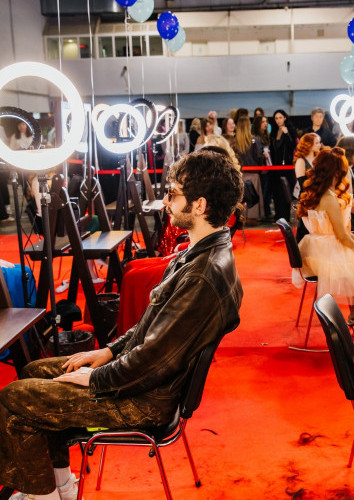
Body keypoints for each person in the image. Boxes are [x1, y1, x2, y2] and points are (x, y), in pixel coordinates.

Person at [0, 149, 244, 500]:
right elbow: (151, 328)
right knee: (32, 371)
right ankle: (61, 487)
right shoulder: (201, 253)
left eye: (173, 194)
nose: (166, 202)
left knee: (13, 398)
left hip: (146, 399)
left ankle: (46, 495)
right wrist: (109, 351)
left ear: (200, 205)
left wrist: (96, 378)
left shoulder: (202, 275)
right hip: (144, 380)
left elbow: (153, 359)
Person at [294, 147, 354, 321]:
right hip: (326, 253)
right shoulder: (329, 198)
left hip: (316, 248)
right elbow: (342, 236)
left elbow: (341, 233)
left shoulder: (317, 193)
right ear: (337, 173)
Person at [234, 115, 265, 222]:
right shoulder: (255, 140)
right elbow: (259, 156)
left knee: (240, 198)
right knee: (253, 199)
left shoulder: (235, 141)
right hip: (254, 174)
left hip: (239, 174)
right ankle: (252, 218)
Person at [270, 109, 297, 221]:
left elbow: (292, 146)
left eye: (280, 117)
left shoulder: (289, 130)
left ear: (285, 118)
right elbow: (273, 149)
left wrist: (286, 134)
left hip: (286, 166)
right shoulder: (274, 131)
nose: (278, 120)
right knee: (277, 193)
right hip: (275, 167)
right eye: (276, 118)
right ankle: (278, 216)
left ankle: (285, 216)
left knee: (286, 193)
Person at [293, 133, 321, 243]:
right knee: (305, 230)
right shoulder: (301, 161)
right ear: (309, 145)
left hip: (317, 196)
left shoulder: (318, 159)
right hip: (307, 198)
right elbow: (302, 184)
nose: (320, 145)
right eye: (317, 143)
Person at [252, 115, 272, 218]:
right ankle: (263, 213)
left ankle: (266, 211)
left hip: (268, 168)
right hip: (261, 169)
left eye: (266, 121)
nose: (265, 123)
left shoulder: (267, 136)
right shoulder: (256, 137)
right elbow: (257, 154)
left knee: (267, 193)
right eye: (263, 122)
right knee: (263, 192)